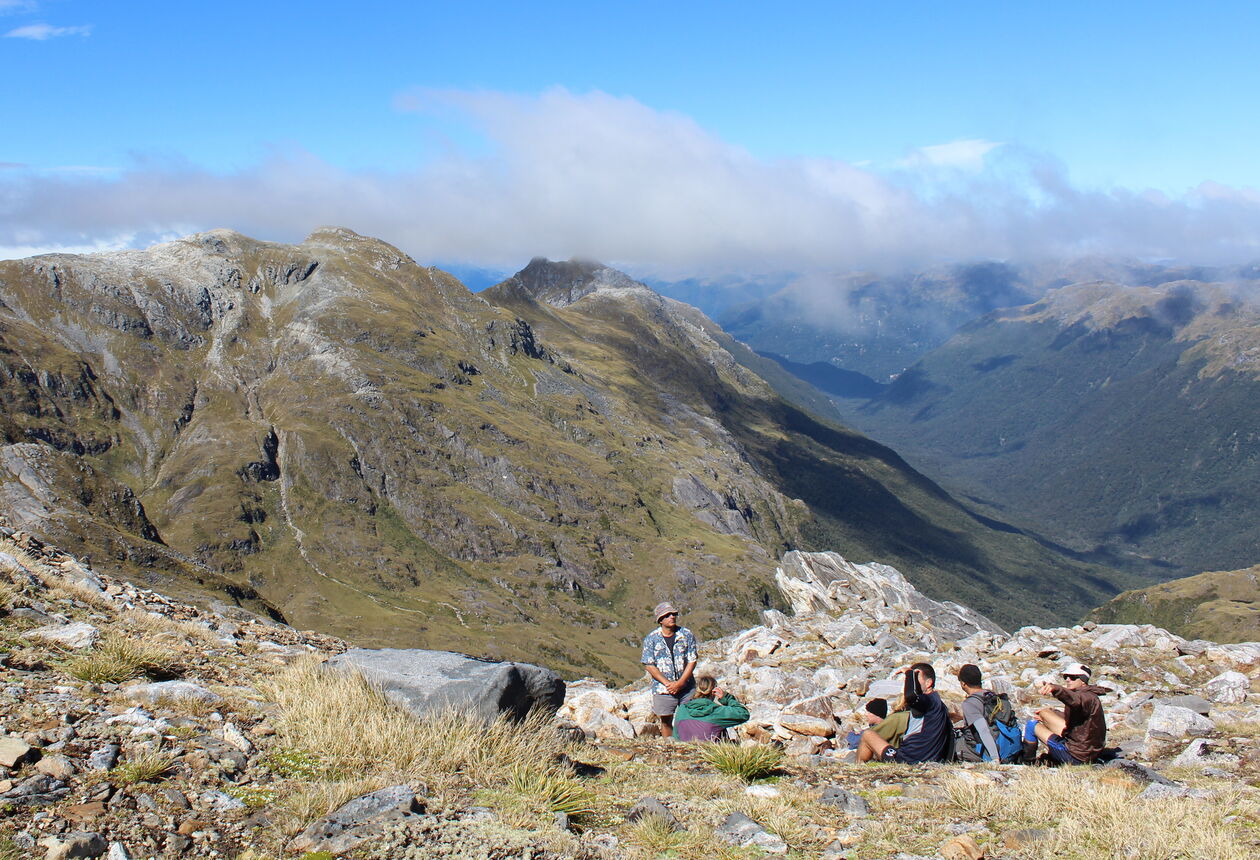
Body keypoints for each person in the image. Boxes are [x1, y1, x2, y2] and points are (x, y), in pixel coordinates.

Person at [857, 663, 954, 764]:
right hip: (925, 759)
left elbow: (911, 697)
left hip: (908, 760)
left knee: (867, 735)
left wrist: (908, 673)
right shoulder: (938, 705)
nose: (911, 683)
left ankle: (858, 768)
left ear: (928, 683)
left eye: (915, 678)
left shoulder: (928, 701)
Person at [1026, 662, 1108, 764]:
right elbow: (1076, 716)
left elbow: (1075, 700)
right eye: (1066, 676)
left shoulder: (1085, 698)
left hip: (1075, 756)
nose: (1068, 680)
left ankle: (1027, 762)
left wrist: (1057, 689)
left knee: (1031, 725)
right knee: (1044, 712)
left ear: (1083, 681)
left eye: (1073, 677)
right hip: (1089, 753)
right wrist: (1052, 713)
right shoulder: (1090, 695)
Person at [641, 601, 698, 738]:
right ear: (660, 619)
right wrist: (667, 683)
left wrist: (680, 683)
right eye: (667, 615)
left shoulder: (686, 634)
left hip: (686, 686)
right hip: (663, 689)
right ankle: (670, 746)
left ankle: (688, 745)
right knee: (666, 721)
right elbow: (649, 664)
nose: (672, 617)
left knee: (688, 717)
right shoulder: (652, 639)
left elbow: (692, 660)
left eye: (673, 614)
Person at [672, 676, 750, 741]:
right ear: (713, 691)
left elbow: (676, 735)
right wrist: (726, 697)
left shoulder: (682, 709)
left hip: (687, 751)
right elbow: (743, 714)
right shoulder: (716, 711)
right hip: (710, 752)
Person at [956, 664, 1001, 762]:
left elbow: (983, 730)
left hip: (986, 751)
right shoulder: (991, 695)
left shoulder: (970, 703)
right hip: (1003, 743)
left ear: (963, 683)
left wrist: (995, 758)